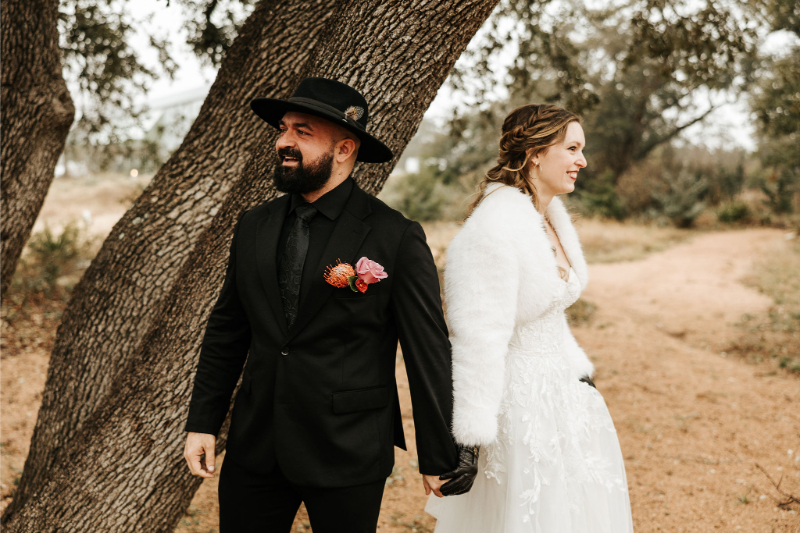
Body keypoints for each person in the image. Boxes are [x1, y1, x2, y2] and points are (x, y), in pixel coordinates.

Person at [182, 77, 476, 533]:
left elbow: (427, 350)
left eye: (302, 132)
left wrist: (438, 452)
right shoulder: (252, 226)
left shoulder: (394, 235)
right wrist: (202, 421)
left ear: (344, 149)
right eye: (283, 129)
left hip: (349, 447)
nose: (283, 142)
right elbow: (228, 328)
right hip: (256, 444)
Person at [425, 104, 634, 532]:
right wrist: (468, 439)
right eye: (573, 148)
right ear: (536, 152)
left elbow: (549, 314)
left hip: (565, 398)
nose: (583, 161)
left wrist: (575, 369)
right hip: (516, 405)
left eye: (582, 149)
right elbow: (477, 337)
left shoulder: (550, 218)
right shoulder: (493, 227)